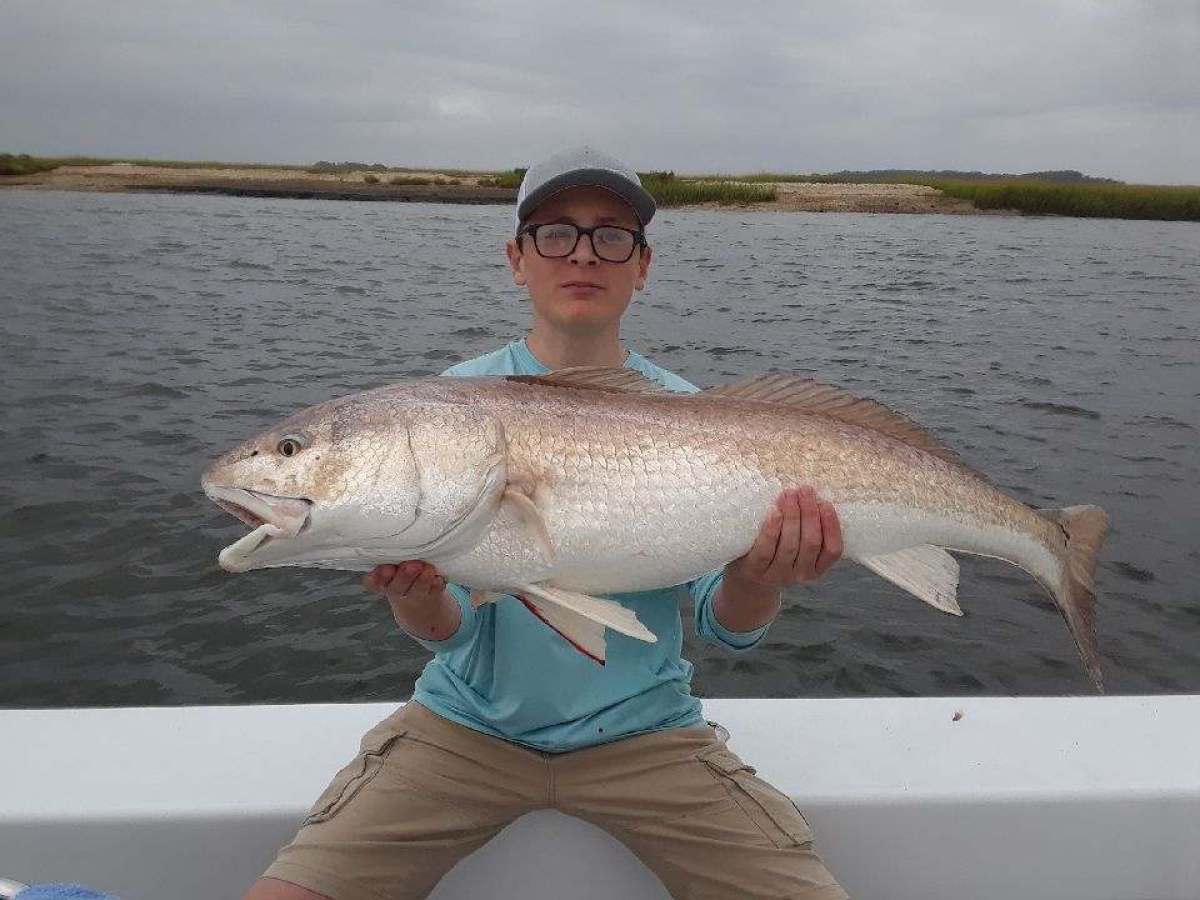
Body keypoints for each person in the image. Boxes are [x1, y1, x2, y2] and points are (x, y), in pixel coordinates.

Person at [245, 146, 849, 899]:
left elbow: (725, 628)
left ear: (644, 265)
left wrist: (760, 579)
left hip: (649, 734)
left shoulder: (699, 416)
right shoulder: (447, 403)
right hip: (465, 732)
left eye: (611, 235)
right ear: (517, 259)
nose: (584, 254)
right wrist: (417, 596)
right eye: (556, 233)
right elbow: (455, 629)